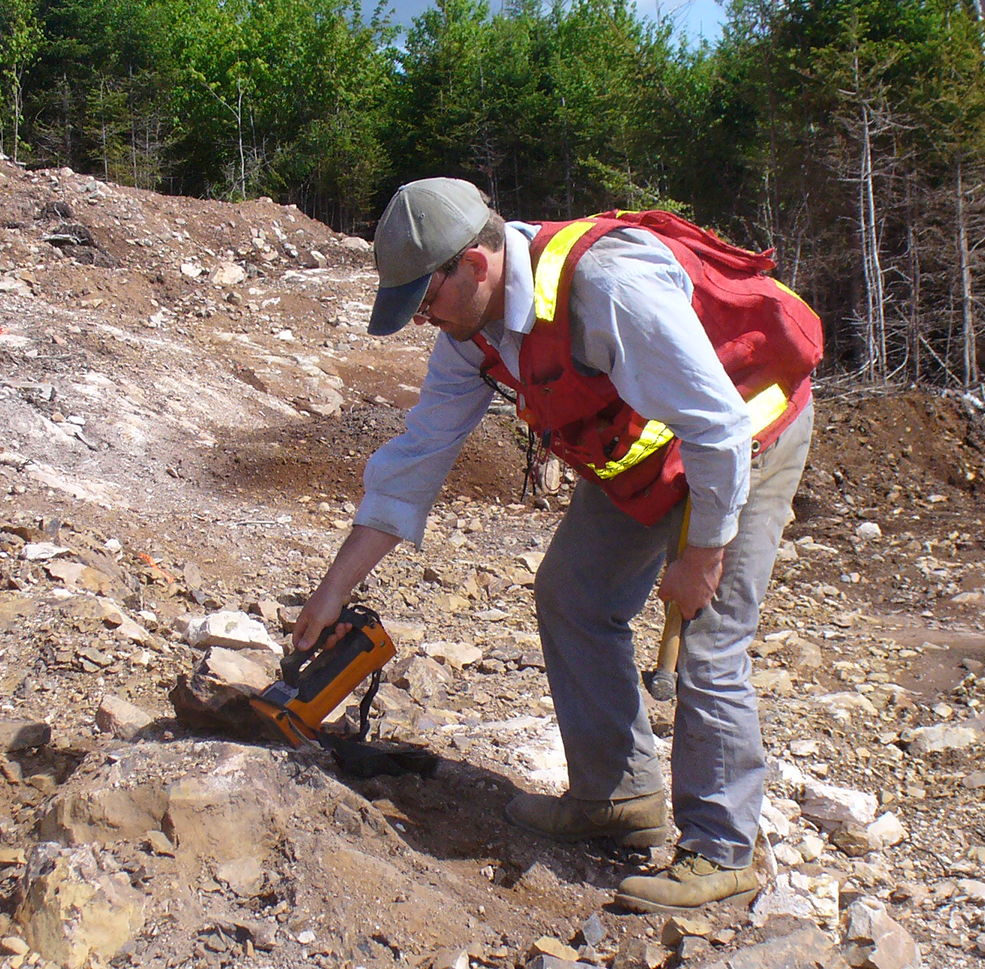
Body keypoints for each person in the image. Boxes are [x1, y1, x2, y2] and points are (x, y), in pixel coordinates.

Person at [295, 178, 821, 911]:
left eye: (425, 298)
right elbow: (415, 461)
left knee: (708, 636)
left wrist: (702, 553)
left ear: (474, 265)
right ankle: (618, 797)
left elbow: (718, 428)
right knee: (573, 595)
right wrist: (331, 594)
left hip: (745, 436)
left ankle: (720, 851)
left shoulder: (606, 287)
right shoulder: (472, 334)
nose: (421, 318)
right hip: (647, 452)